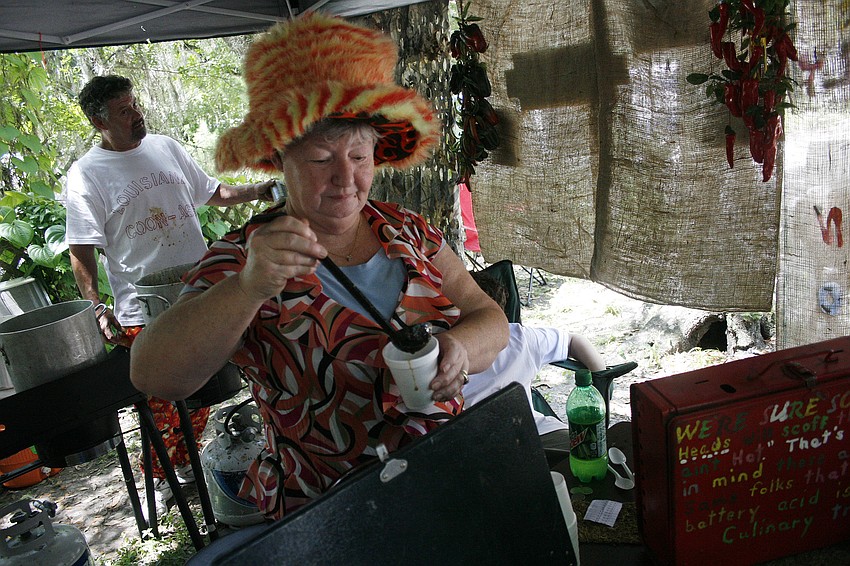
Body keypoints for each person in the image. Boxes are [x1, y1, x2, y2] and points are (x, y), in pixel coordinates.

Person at [130, 13, 509, 521]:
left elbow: (490, 318)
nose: (345, 179)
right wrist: (248, 289)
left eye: (358, 155)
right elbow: (155, 374)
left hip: (444, 480)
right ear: (279, 159)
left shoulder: (407, 230)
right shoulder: (248, 256)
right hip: (327, 512)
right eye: (320, 158)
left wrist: (460, 347)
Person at [64, 74, 275, 517]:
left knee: (245, 365)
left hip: (203, 288)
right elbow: (81, 248)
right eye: (124, 111)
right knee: (167, 397)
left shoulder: (164, 147)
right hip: (146, 304)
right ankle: (164, 477)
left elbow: (211, 192)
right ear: (96, 121)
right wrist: (97, 308)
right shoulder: (86, 175)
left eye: (135, 105)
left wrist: (258, 190)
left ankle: (268, 439)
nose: (137, 114)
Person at [465, 270, 606, 448]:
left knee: (593, 451)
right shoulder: (438, 350)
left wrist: (600, 382)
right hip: (477, 446)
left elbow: (573, 341)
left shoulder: (520, 338)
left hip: (537, 432)